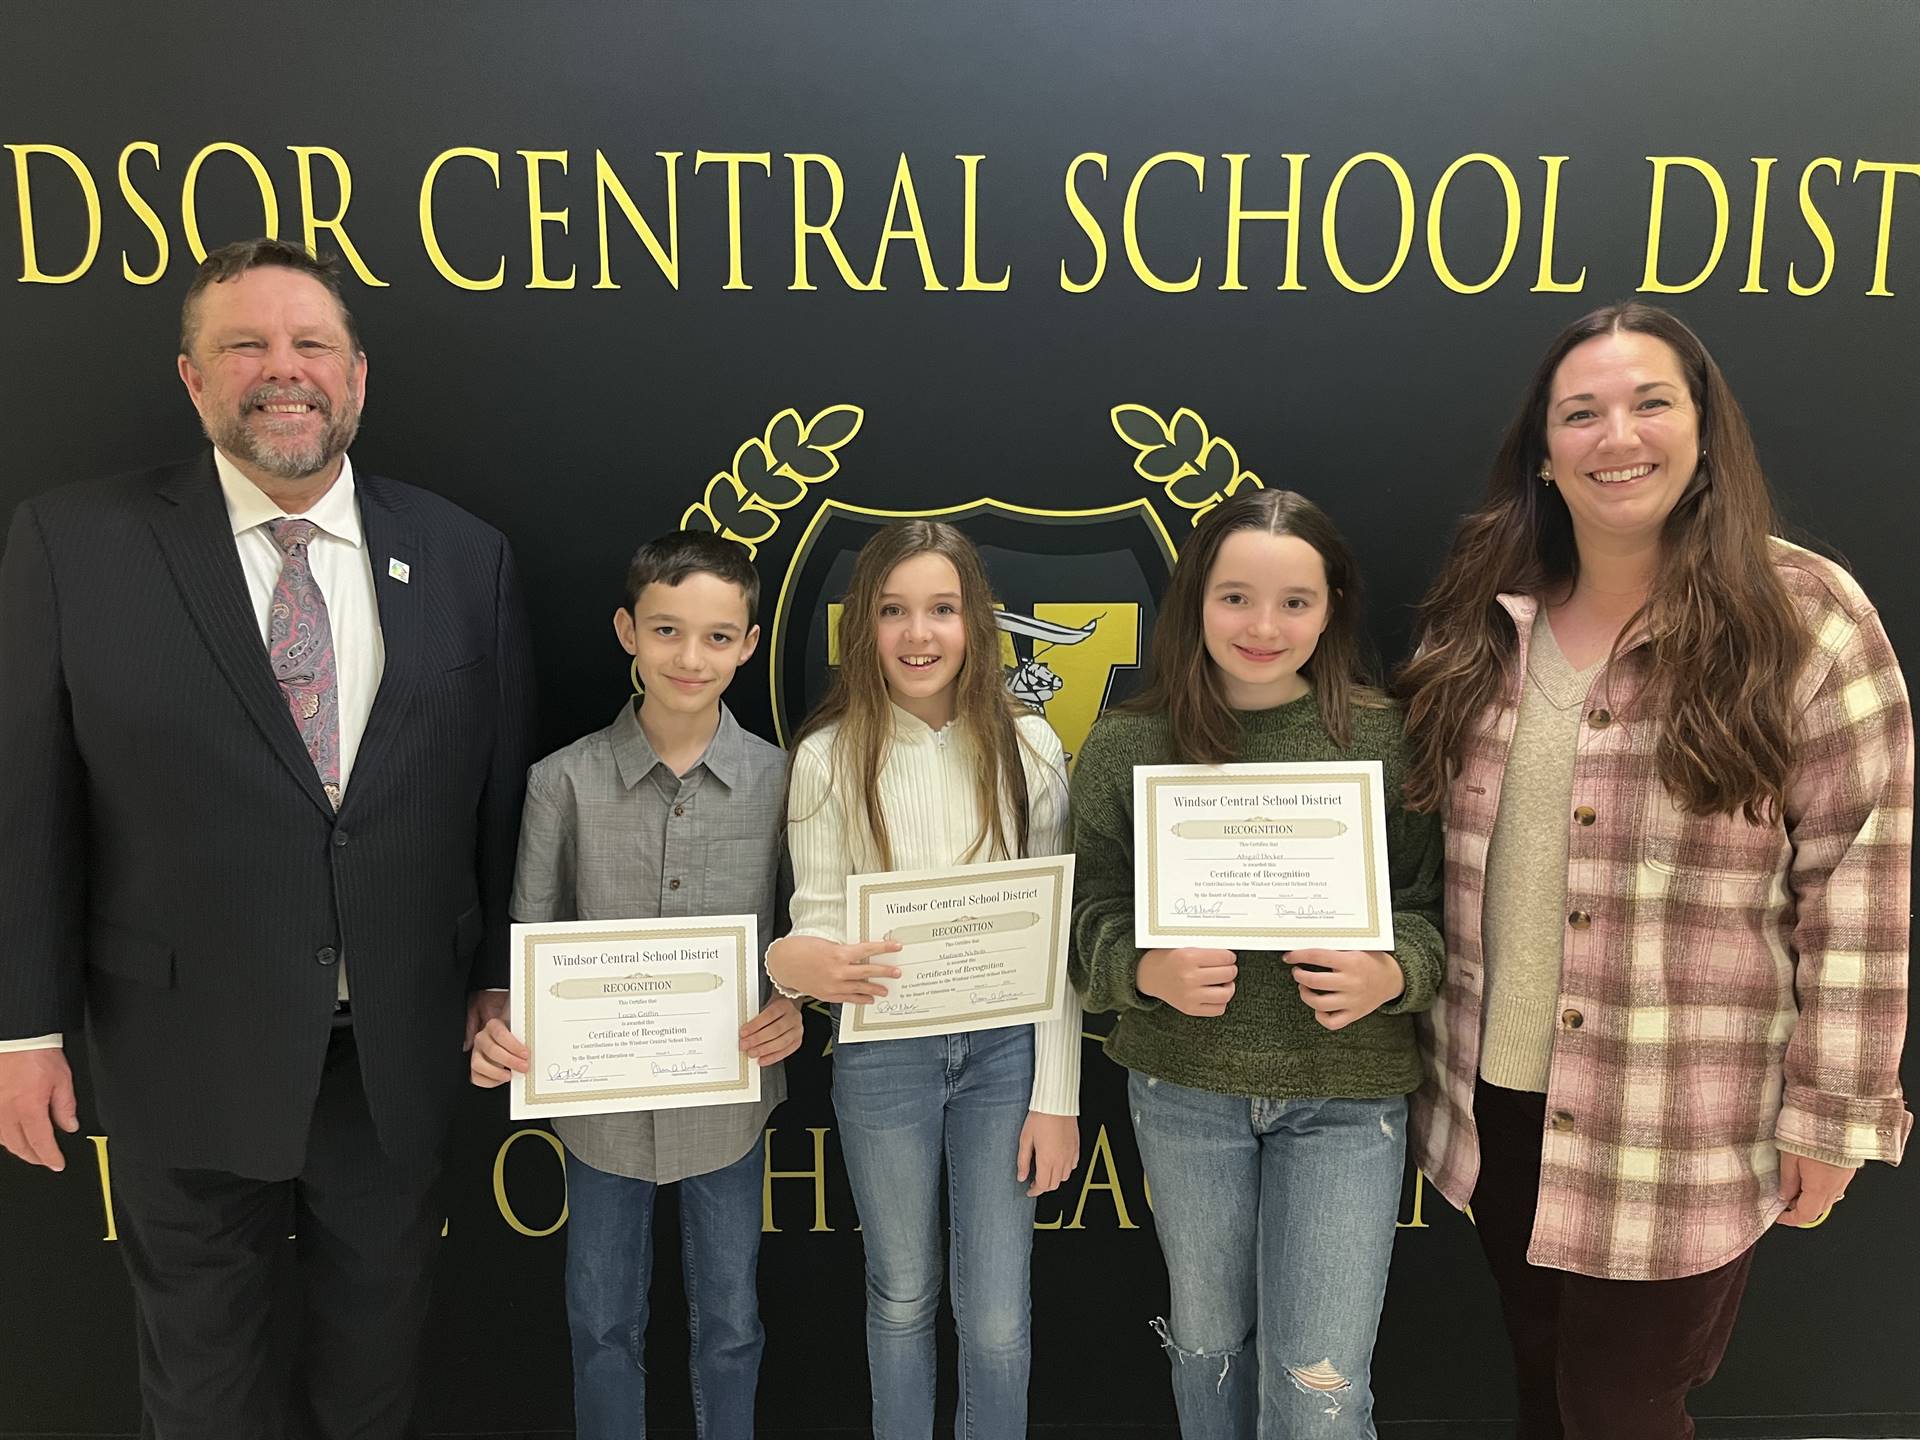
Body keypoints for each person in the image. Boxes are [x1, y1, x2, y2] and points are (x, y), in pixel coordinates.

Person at [0, 237, 535, 1438]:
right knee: (202, 1390)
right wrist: (24, 1028)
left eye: (312, 346)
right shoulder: (73, 545)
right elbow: (29, 804)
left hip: (392, 1057)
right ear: (193, 378)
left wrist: (500, 977)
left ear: (356, 377)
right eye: (245, 344)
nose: (281, 371)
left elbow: (498, 805)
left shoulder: (465, 557)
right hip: (177, 1048)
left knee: (374, 1376)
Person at [1398, 302, 1913, 1439]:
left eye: (1650, 403)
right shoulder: (1488, 618)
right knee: (1542, 1384)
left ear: (1703, 427)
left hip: (1680, 1121)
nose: (1615, 435)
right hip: (1501, 1106)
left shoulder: (1806, 619)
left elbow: (1860, 883)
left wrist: (1836, 1116)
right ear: (1544, 449)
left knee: (1624, 1410)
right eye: (1580, 413)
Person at [1068, 489, 1444, 1439]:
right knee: (1209, 1352)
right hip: (1186, 1090)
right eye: (1235, 597)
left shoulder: (1389, 742)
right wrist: (1143, 972)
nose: (1264, 627)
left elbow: (1442, 914)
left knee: (1318, 1384)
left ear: (1334, 609)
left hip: (1345, 1097)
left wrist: (1393, 972)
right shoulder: (1125, 745)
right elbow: (1083, 921)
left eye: (1295, 602)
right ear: (1193, 599)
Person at [468, 531, 803, 1439]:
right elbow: (528, 942)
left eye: (717, 636)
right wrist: (501, 1023)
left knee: (732, 1325)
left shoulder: (786, 783)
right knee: (602, 1325)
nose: (690, 658)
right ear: (626, 630)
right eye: (666, 630)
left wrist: (793, 1011)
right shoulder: (561, 783)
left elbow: (800, 937)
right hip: (600, 1111)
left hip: (729, 1105)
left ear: (750, 642)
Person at [765, 519, 1080, 1440]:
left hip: (1003, 1062)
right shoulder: (827, 756)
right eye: (894, 611)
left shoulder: (1030, 748)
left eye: (941, 610)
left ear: (976, 624)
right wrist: (795, 965)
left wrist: (1055, 1096)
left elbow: (1053, 936)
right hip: (883, 1060)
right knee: (901, 1294)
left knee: (995, 1314)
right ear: (863, 625)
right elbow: (810, 925)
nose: (918, 634)